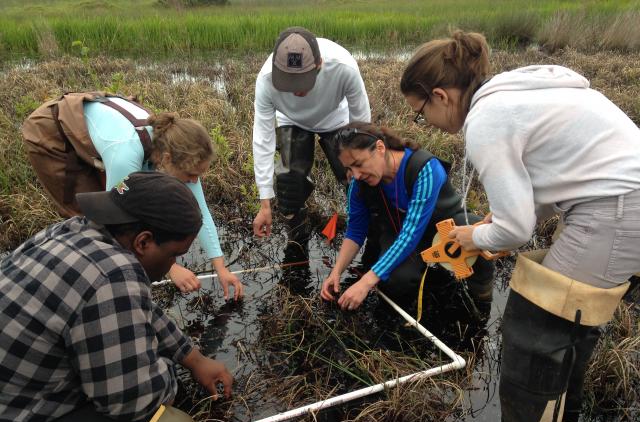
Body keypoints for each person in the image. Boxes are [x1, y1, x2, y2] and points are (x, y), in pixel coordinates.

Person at [401, 30, 640, 422]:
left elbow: (515, 231)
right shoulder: (513, 95)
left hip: (619, 210)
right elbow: (564, 172)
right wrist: (504, 221)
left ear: (439, 95)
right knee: (567, 326)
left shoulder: (489, 120)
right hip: (617, 201)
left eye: (421, 114)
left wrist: (472, 237)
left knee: (539, 328)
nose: (425, 124)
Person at [0, 172, 233, 422]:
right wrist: (162, 369)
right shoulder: (114, 273)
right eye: (175, 254)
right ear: (144, 242)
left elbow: (137, 310)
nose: (174, 263)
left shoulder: (72, 230)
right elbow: (134, 401)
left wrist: (194, 358)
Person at [22, 92, 243, 299]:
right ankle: (88, 286)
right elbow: (115, 220)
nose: (194, 181)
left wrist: (221, 268)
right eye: (191, 175)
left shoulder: (178, 153)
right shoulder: (125, 153)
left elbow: (200, 210)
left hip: (102, 131)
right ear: (166, 159)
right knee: (88, 217)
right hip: (52, 131)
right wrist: (170, 268)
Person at [320, 122, 494, 313]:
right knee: (395, 280)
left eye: (359, 164)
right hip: (400, 232)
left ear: (380, 147)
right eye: (349, 169)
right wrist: (336, 272)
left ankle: (482, 300)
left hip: (443, 227)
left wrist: (365, 283)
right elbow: (355, 230)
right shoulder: (358, 183)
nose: (356, 175)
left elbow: (410, 234)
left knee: (479, 238)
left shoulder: (425, 169)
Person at [252, 26, 371, 252]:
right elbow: (262, 139)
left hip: (336, 118)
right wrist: (264, 202)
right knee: (289, 185)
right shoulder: (266, 80)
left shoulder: (344, 67)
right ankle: (298, 236)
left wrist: (360, 164)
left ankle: (364, 226)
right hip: (291, 120)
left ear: (319, 65)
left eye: (303, 82)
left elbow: (363, 126)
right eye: (289, 83)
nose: (296, 91)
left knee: (354, 178)